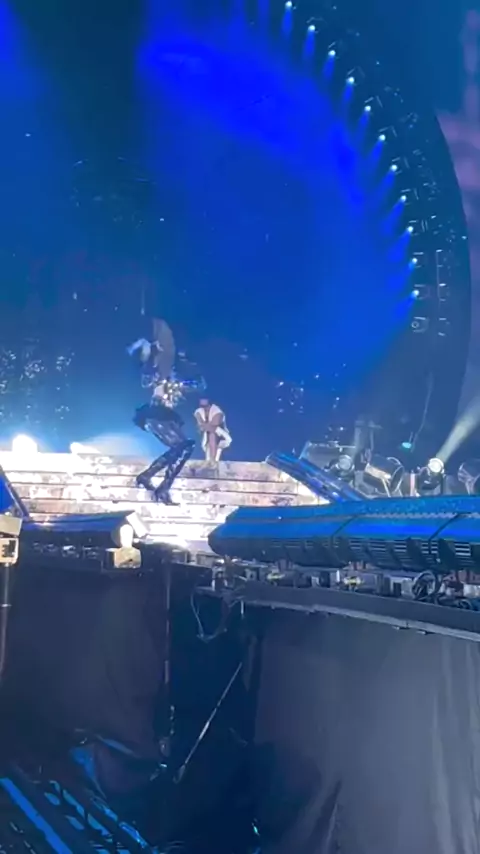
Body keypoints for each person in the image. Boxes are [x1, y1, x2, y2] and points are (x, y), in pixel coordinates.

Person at [128, 319, 201, 505]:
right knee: (184, 446)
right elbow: (145, 379)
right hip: (156, 416)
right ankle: (157, 483)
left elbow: (199, 385)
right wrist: (150, 353)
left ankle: (155, 481)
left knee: (184, 447)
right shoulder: (156, 371)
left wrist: (189, 370)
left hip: (167, 418)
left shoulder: (177, 375)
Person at [194, 397, 232, 463]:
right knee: (210, 436)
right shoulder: (198, 411)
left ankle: (213, 460)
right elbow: (201, 425)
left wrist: (204, 426)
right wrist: (204, 426)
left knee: (212, 434)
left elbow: (214, 425)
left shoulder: (217, 411)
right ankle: (211, 461)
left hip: (221, 435)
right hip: (207, 437)